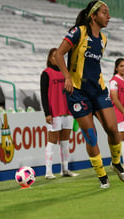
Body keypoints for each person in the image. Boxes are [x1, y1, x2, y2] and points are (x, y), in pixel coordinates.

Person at [55, 0, 124, 189]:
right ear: (93, 16)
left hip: (98, 90)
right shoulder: (78, 32)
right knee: (91, 135)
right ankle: (102, 175)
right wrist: (67, 77)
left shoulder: (103, 39)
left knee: (113, 128)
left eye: (109, 13)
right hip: (78, 93)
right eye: (105, 13)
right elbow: (58, 54)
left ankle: (116, 163)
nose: (109, 16)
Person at [40, 48, 79, 179]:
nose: (57, 58)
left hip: (68, 112)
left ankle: (65, 170)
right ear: (50, 58)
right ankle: (48, 171)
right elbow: (44, 95)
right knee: (51, 142)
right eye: (54, 56)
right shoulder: (46, 73)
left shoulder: (66, 74)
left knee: (65, 142)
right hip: (55, 112)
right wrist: (47, 113)